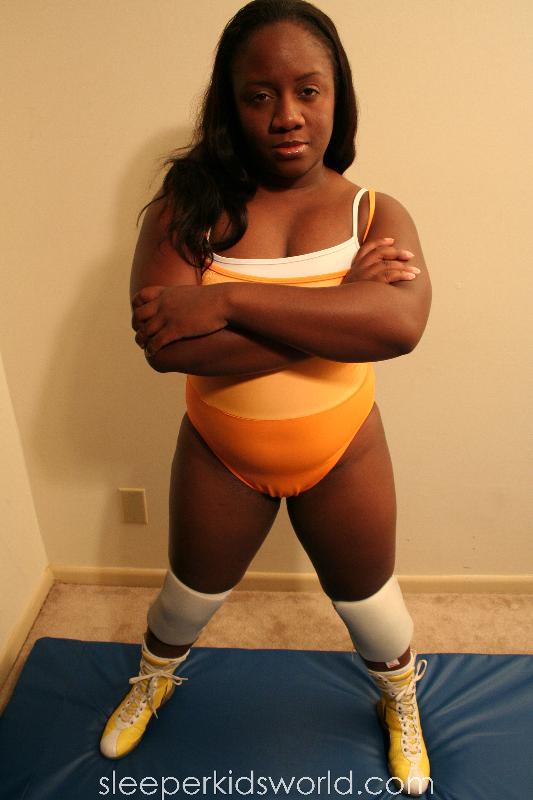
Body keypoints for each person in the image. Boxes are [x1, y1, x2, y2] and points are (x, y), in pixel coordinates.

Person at [100, 0, 432, 795]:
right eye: (259, 95)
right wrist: (338, 310)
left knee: (371, 607)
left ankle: (399, 699)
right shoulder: (186, 206)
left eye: (307, 90)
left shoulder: (372, 211)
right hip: (221, 453)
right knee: (185, 599)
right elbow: (166, 349)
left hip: (343, 450)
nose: (286, 115)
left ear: (335, 96)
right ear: (231, 102)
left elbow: (398, 326)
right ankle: (152, 679)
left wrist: (227, 301)